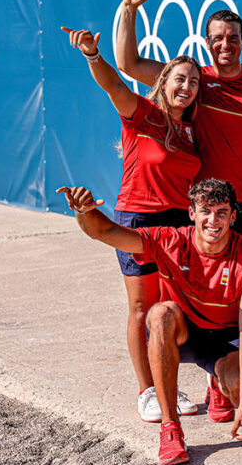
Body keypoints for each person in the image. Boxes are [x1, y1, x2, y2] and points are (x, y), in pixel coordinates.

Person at [56, 180, 242, 465]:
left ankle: (219, 382)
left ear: (233, 216)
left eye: (221, 212)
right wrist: (84, 213)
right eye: (205, 211)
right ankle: (170, 429)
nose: (213, 220)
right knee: (159, 314)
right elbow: (106, 231)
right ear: (191, 213)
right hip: (181, 334)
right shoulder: (170, 239)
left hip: (223, 340)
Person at [62, 26, 201, 423]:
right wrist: (92, 55)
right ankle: (146, 391)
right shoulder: (142, 113)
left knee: (167, 307)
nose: (187, 86)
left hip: (177, 224)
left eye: (193, 81)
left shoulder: (193, 130)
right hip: (137, 217)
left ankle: (166, 383)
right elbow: (111, 83)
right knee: (141, 306)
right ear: (163, 82)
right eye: (179, 78)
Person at [114, 0, 242, 252]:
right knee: (208, 288)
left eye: (233, 38)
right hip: (209, 206)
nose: (225, 45)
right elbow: (129, 64)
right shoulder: (195, 81)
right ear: (207, 43)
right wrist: (129, 10)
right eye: (218, 38)